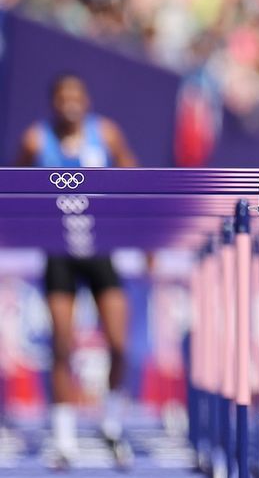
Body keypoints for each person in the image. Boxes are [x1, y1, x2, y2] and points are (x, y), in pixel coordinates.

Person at [16, 73, 138, 469]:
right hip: (59, 252)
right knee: (62, 345)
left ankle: (112, 425)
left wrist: (139, 231)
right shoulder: (36, 140)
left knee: (119, 343)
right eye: (63, 96)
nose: (70, 102)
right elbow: (13, 188)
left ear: (85, 101)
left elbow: (134, 176)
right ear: (54, 102)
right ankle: (64, 438)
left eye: (76, 96)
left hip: (99, 249)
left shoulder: (105, 133)